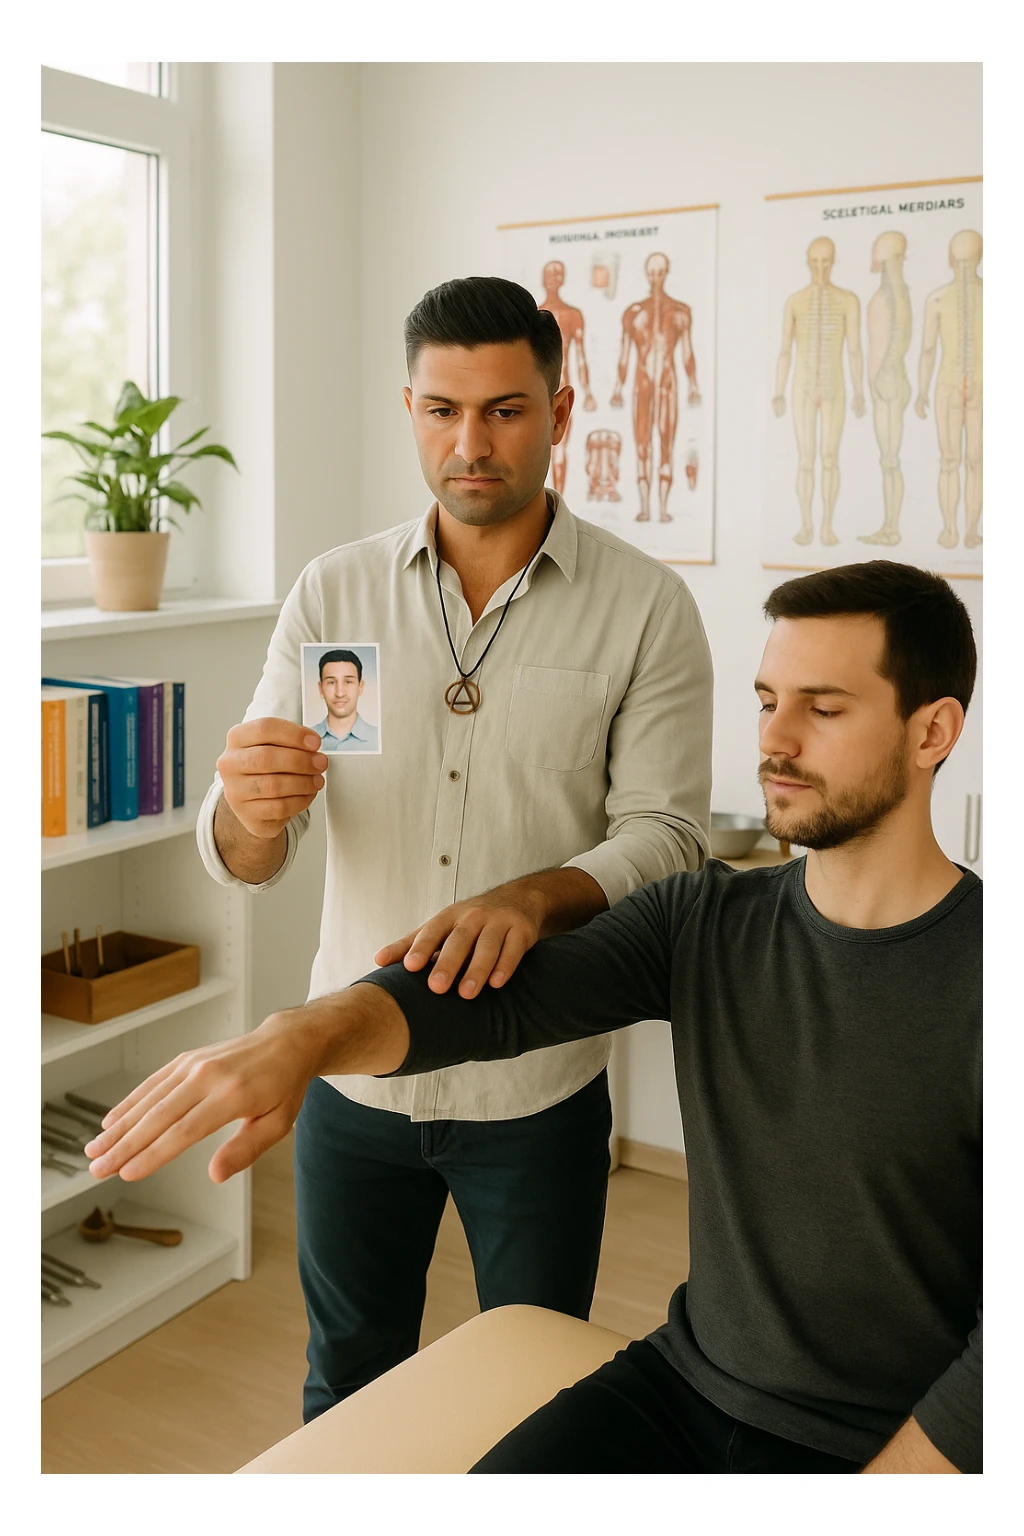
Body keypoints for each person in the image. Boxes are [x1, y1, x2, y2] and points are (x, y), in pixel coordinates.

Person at [86, 559, 980, 1475]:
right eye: (765, 701)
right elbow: (485, 1003)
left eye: (823, 709)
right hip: (687, 1386)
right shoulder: (707, 920)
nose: (775, 741)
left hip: (883, 1437)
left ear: (932, 732)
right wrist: (301, 1036)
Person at [189, 275, 714, 1421]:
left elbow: (668, 839)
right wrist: (248, 809)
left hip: (535, 1089)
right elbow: (246, 850)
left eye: (505, 411)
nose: (470, 443)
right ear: (411, 409)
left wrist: (535, 896)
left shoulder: (646, 607)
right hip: (351, 1081)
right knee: (347, 1380)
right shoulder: (333, 589)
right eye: (442, 411)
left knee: (536, 1397)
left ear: (561, 412)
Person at [772, 237, 866, 547]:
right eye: (815, 262)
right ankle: (806, 525)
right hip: (802, 384)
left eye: (826, 262)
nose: (820, 268)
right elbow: (785, 349)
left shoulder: (848, 300)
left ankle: (827, 525)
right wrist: (779, 390)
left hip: (833, 384)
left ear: (833, 262)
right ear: (808, 262)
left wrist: (859, 390)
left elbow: (854, 349)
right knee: (805, 458)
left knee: (829, 455)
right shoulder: (796, 302)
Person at [312, 649, 379, 752]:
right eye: (331, 682)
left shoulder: (378, 739)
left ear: (360, 687)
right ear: (321, 689)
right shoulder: (308, 737)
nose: (340, 693)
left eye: (348, 682)